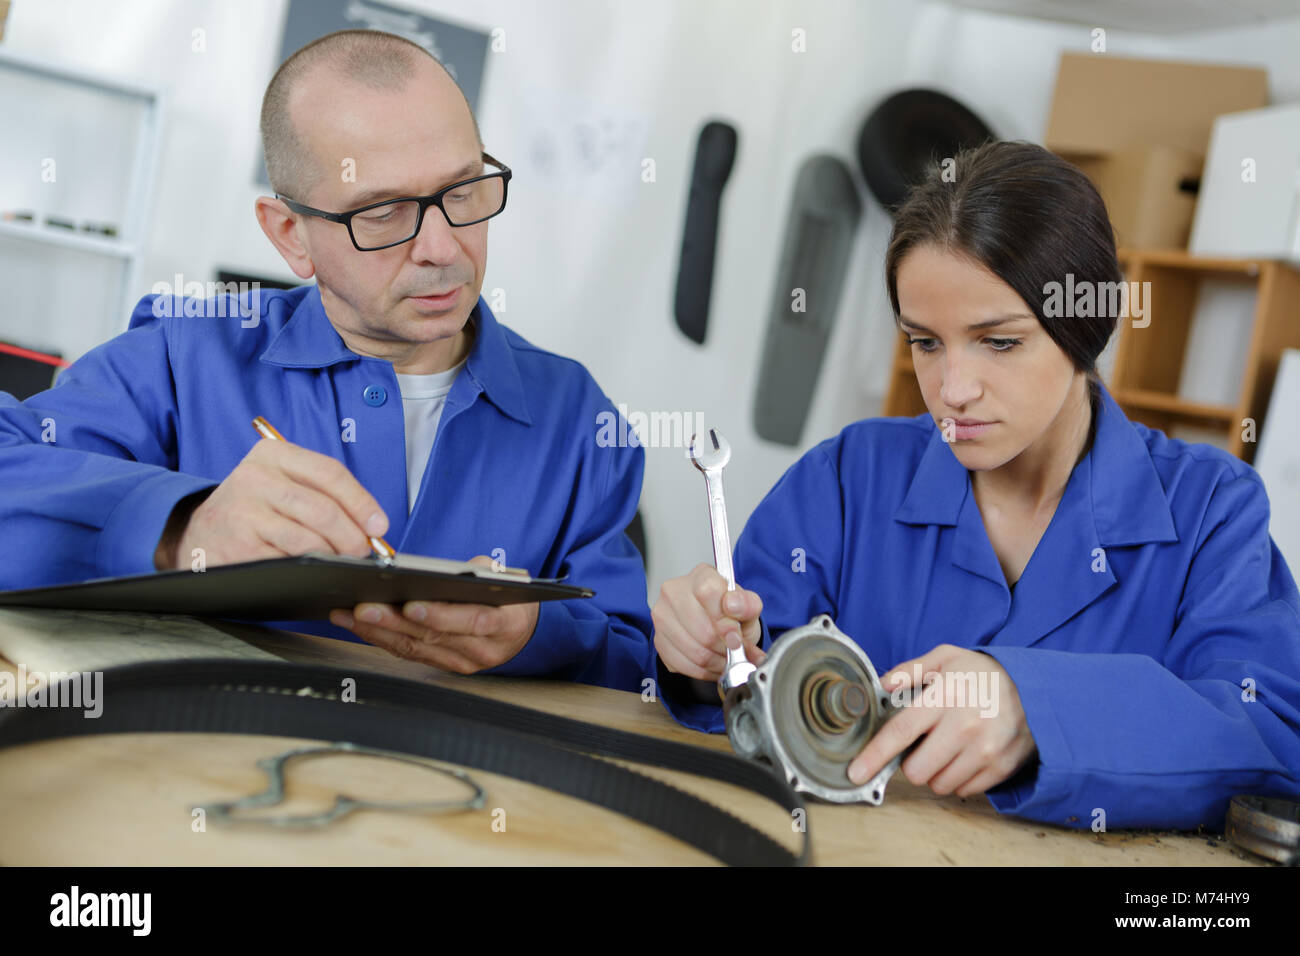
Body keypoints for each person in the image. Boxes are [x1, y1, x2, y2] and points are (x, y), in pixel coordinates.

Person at [651, 140, 1300, 830]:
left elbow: (1269, 739)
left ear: (1086, 325)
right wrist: (701, 654)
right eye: (925, 343)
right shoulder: (848, 478)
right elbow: (746, 684)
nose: (952, 391)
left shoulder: (1209, 510)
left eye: (999, 341)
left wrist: (1039, 712)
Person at [0, 30, 653, 692]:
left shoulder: (575, 416)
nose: (441, 247)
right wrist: (180, 529)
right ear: (291, 235)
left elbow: (636, 667)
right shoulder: (183, 358)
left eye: (461, 193)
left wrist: (537, 636)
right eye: (384, 211)